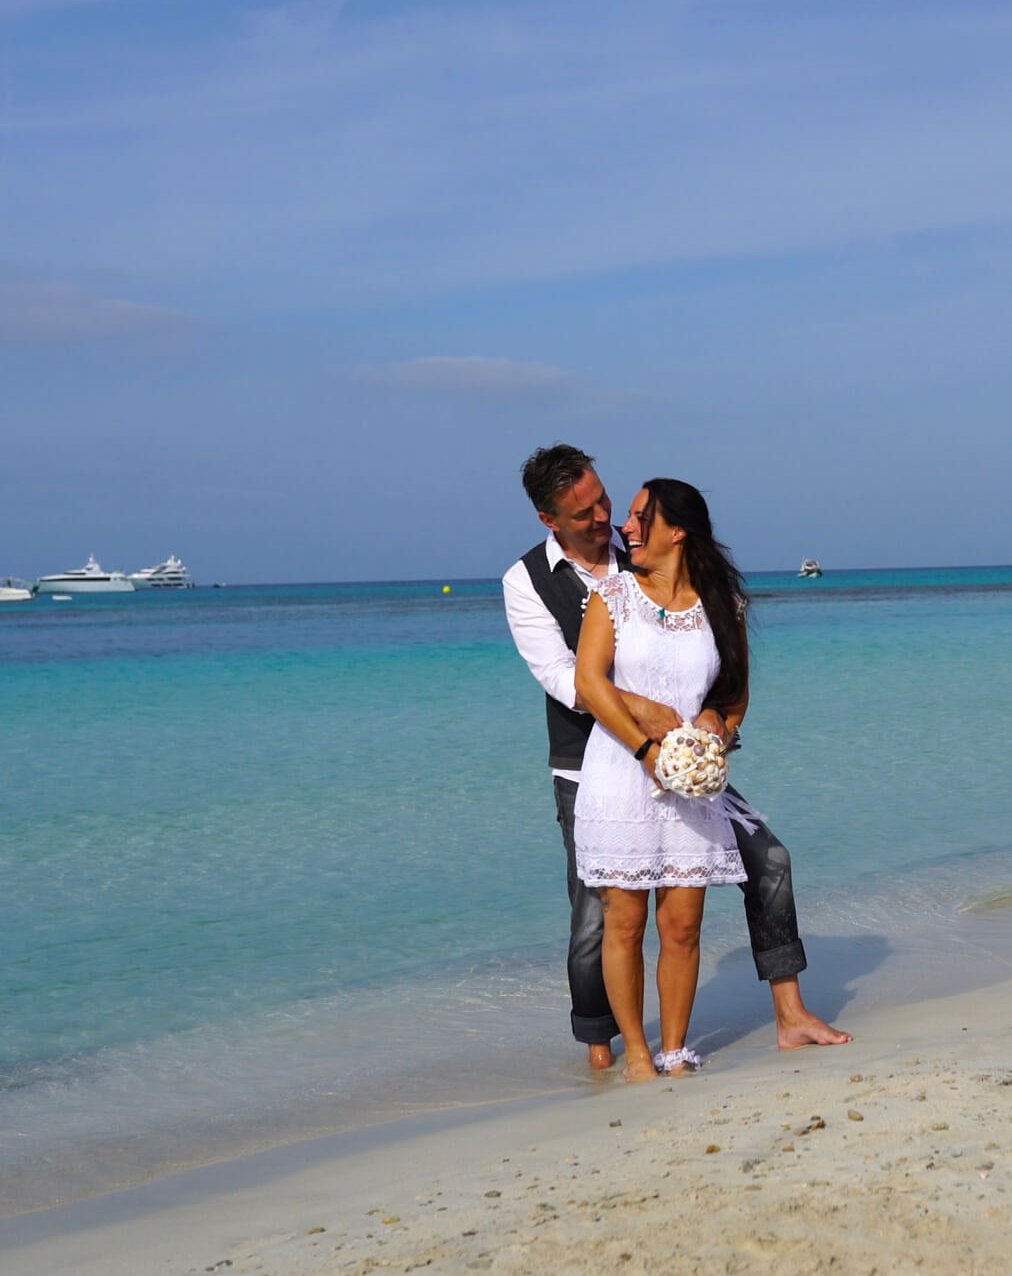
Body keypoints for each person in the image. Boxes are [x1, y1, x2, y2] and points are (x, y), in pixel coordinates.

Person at [502, 444, 851, 1072]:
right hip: (592, 765)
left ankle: (786, 1012)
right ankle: (604, 1052)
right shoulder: (528, 582)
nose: (607, 518)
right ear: (549, 519)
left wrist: (711, 727)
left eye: (606, 500)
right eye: (585, 512)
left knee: (765, 860)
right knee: (600, 921)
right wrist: (644, 722)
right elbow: (566, 676)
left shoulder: (646, 558)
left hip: (687, 768)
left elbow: (724, 679)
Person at [574, 479, 752, 1080]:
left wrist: (715, 729)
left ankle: (675, 1049)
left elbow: (735, 698)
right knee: (623, 922)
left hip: (692, 788)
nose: (625, 527)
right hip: (623, 774)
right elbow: (590, 685)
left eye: (638, 516)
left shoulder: (721, 604)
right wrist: (647, 748)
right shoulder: (614, 595)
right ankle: (639, 1055)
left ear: (676, 530)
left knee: (682, 923)